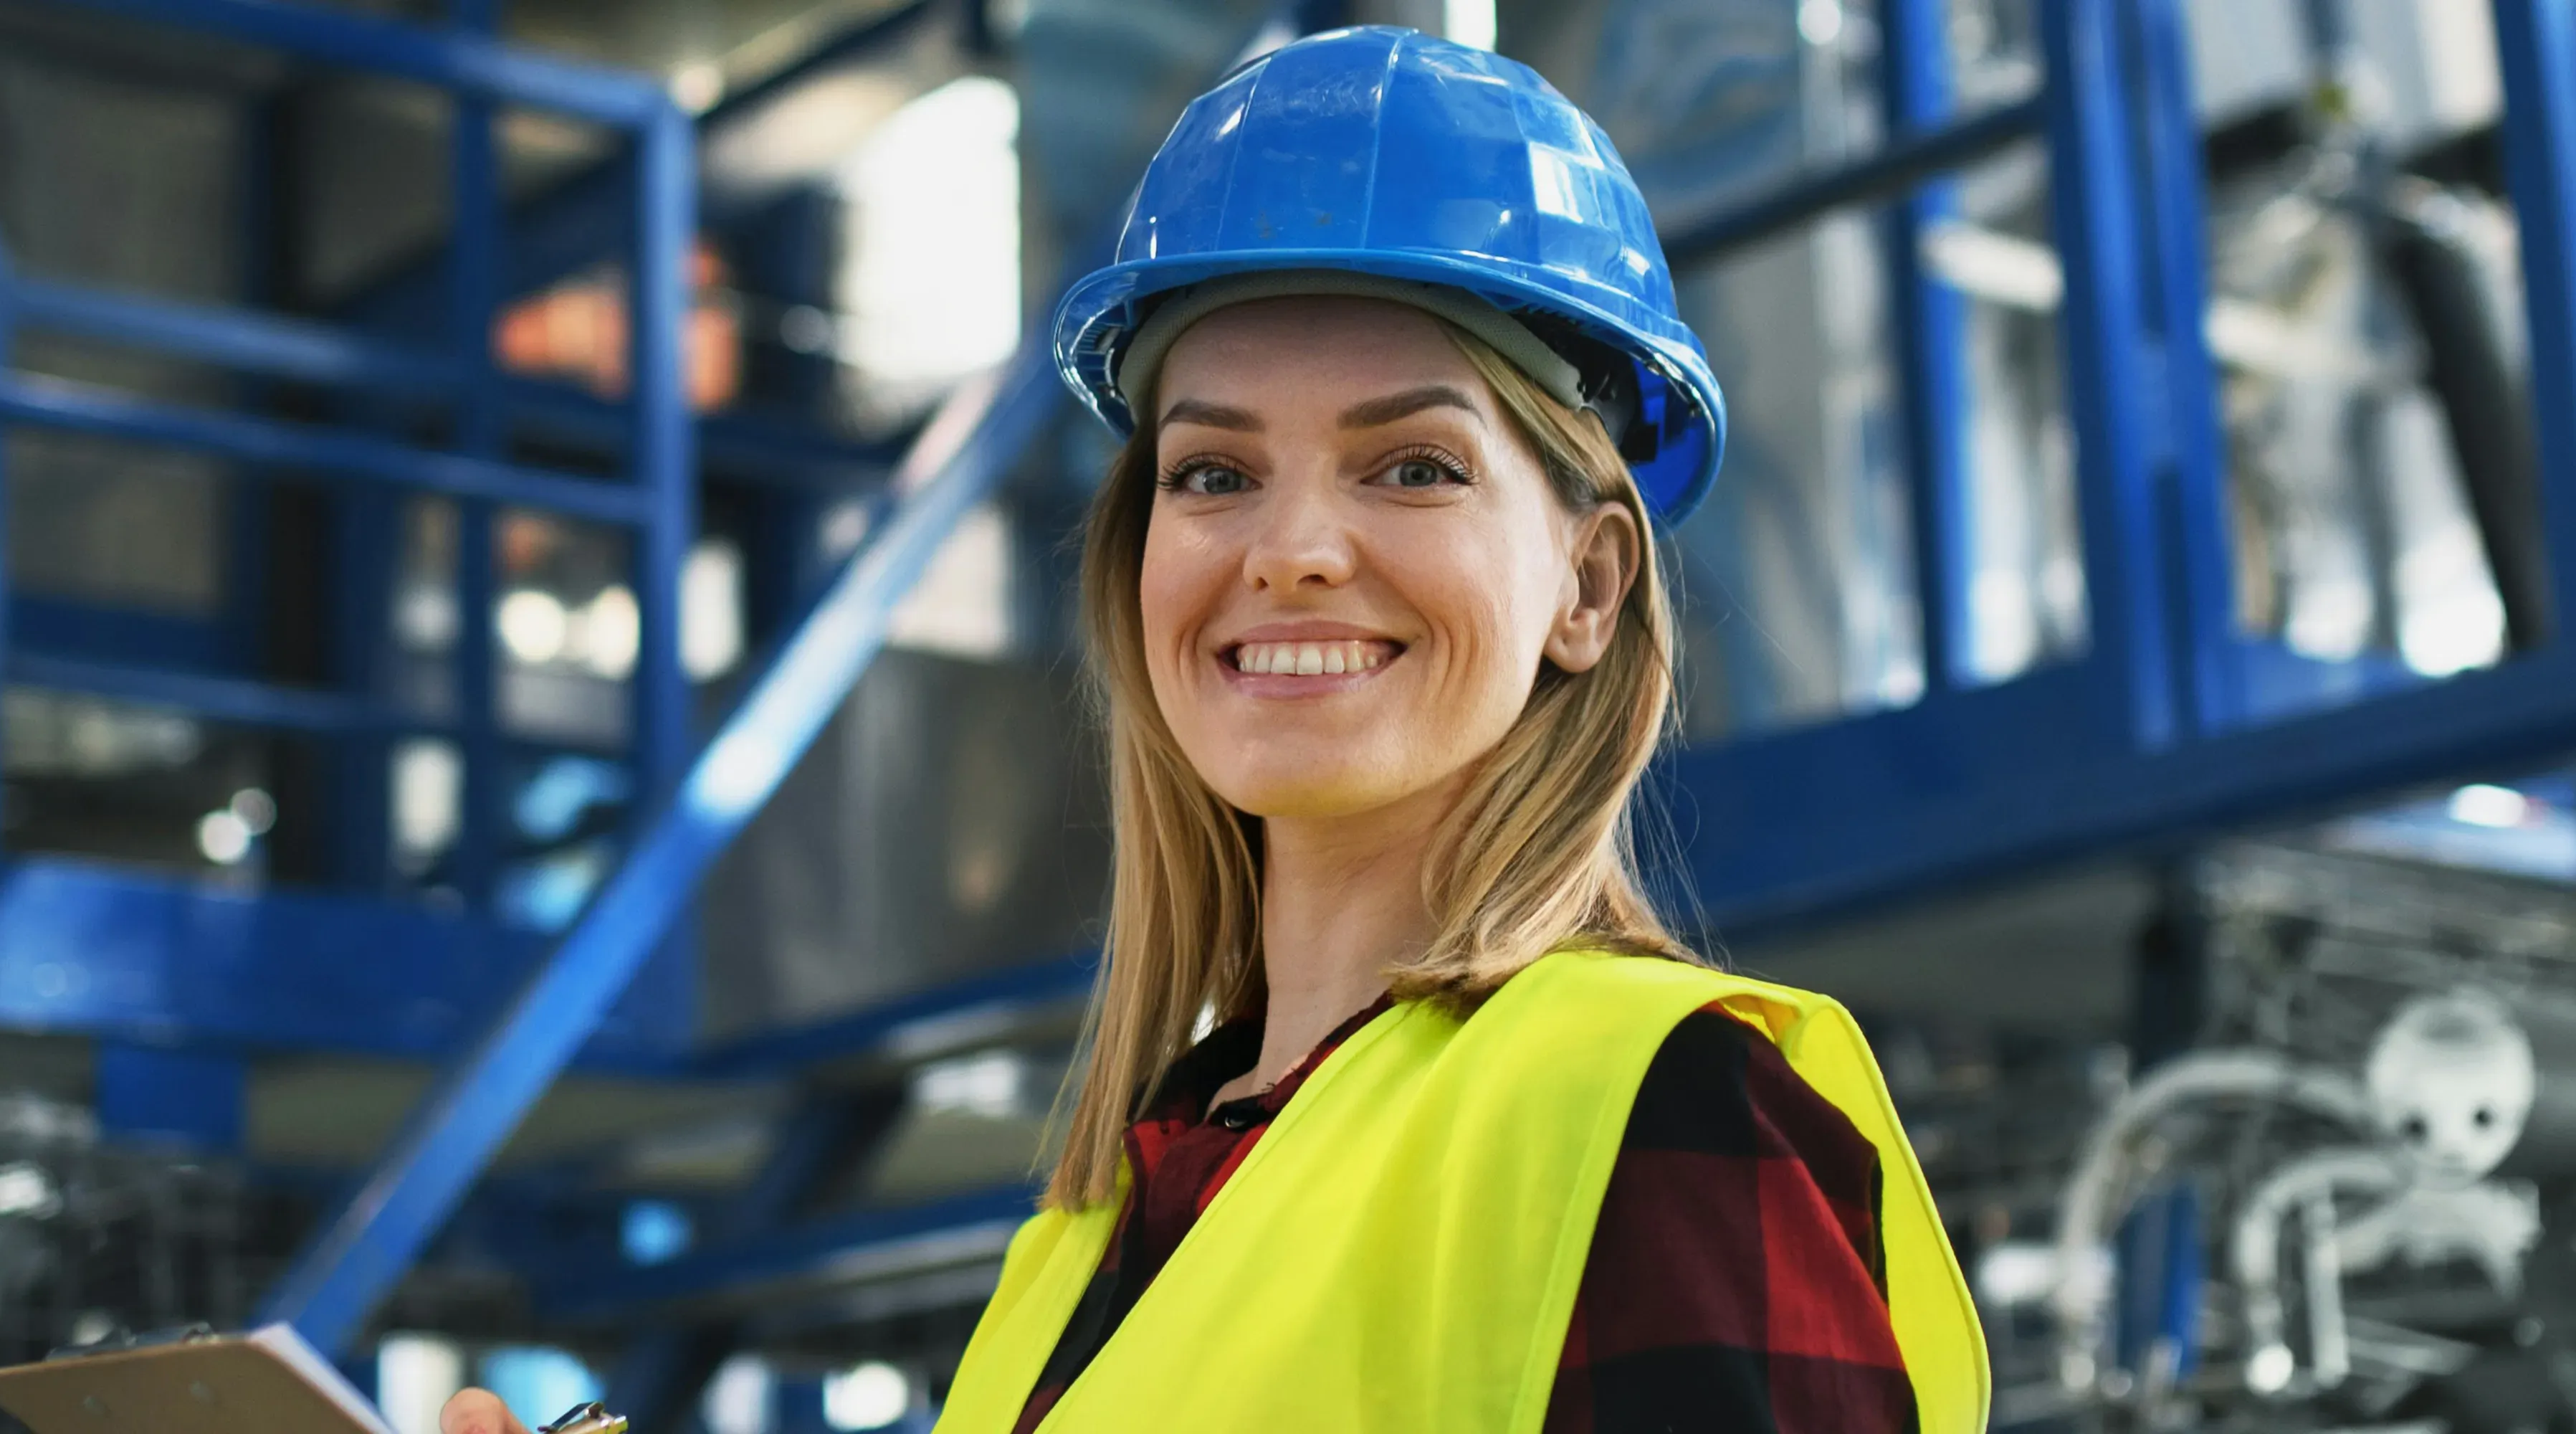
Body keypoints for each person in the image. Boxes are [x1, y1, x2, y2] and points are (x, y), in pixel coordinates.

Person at [446, 26, 1985, 1433]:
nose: (1292, 549)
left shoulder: (1654, 1113)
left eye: (1415, 466)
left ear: (1586, 582)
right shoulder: (1092, 1238)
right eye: (1213, 474)